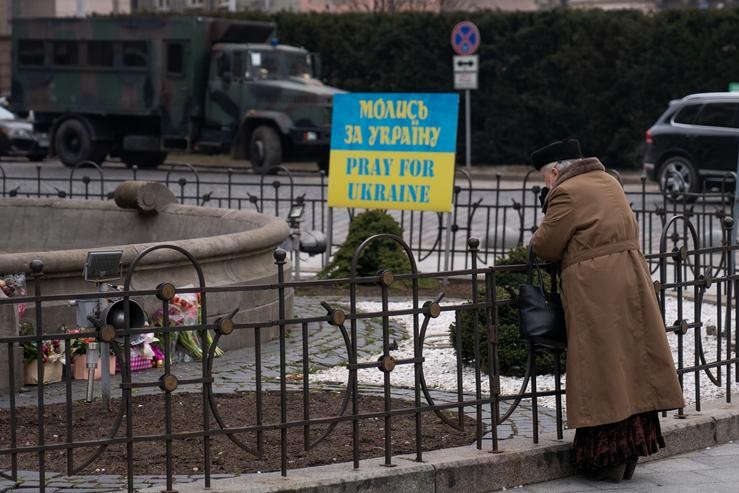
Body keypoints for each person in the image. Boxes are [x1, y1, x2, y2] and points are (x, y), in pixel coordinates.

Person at [529, 138, 684, 482]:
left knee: (600, 369)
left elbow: (546, 246)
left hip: (595, 287)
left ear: (554, 172)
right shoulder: (608, 180)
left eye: (544, 179)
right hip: (631, 278)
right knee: (629, 365)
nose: (546, 185)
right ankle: (629, 454)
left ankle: (606, 460)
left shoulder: (566, 192)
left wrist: (544, 216)